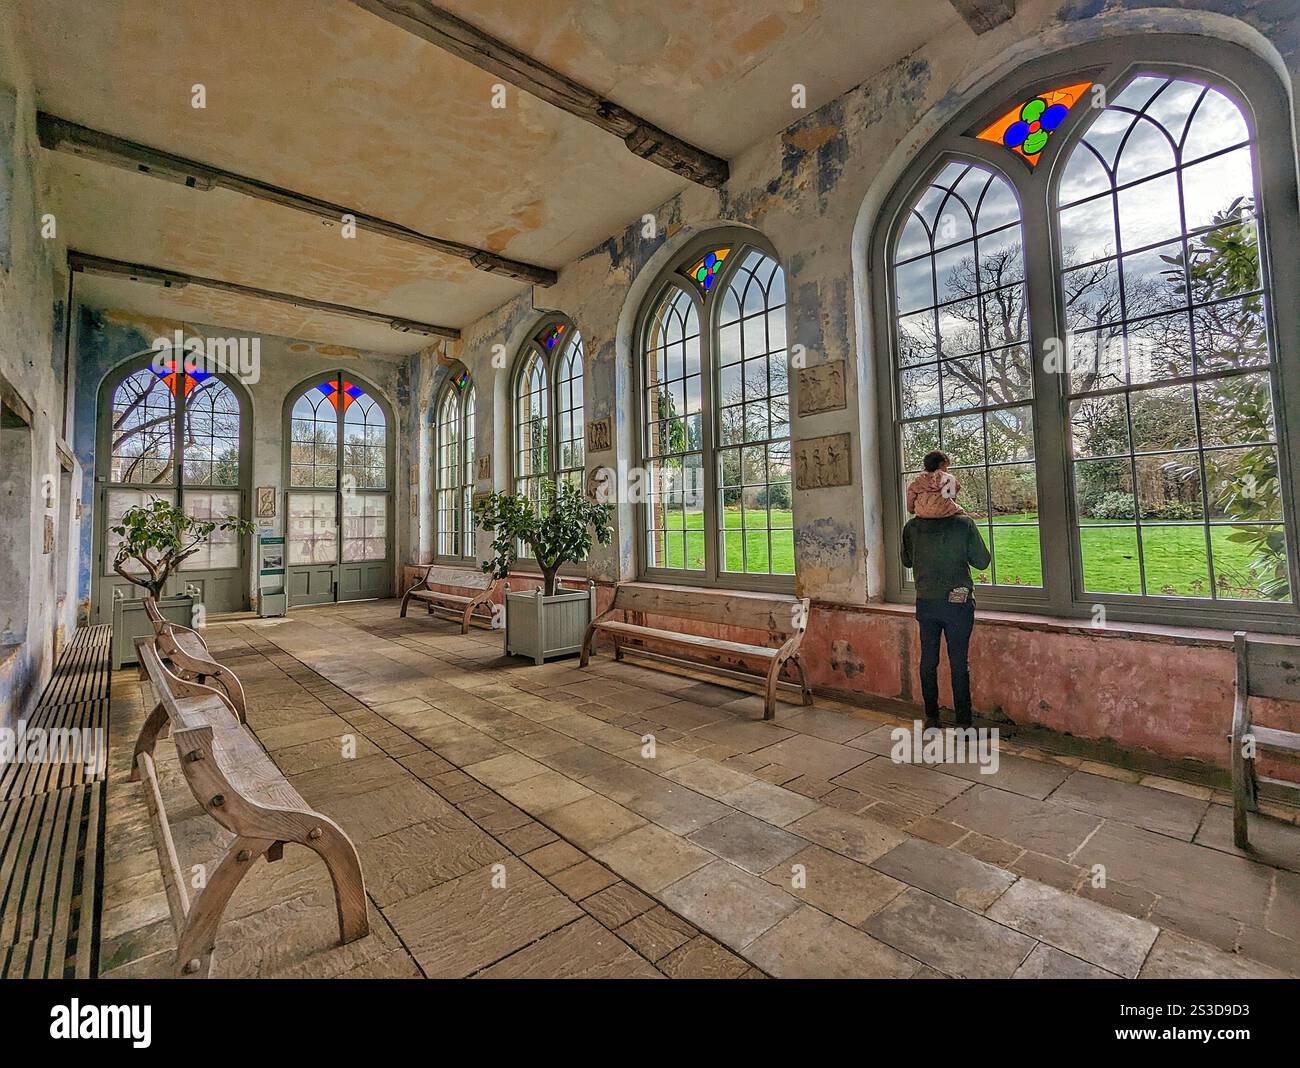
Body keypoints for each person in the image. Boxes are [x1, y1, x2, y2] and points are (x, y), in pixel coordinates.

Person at [901, 450, 991, 730]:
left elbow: (906, 560)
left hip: (926, 601)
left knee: (928, 660)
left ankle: (931, 718)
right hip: (958, 601)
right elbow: (982, 561)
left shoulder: (912, 527)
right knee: (958, 662)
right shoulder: (962, 523)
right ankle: (963, 722)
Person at [907, 451, 963, 518]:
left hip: (922, 513)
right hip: (944, 511)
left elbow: (910, 499)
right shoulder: (948, 478)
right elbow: (952, 496)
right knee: (964, 515)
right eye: (946, 466)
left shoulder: (918, 481)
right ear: (941, 464)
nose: (947, 470)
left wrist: (911, 510)